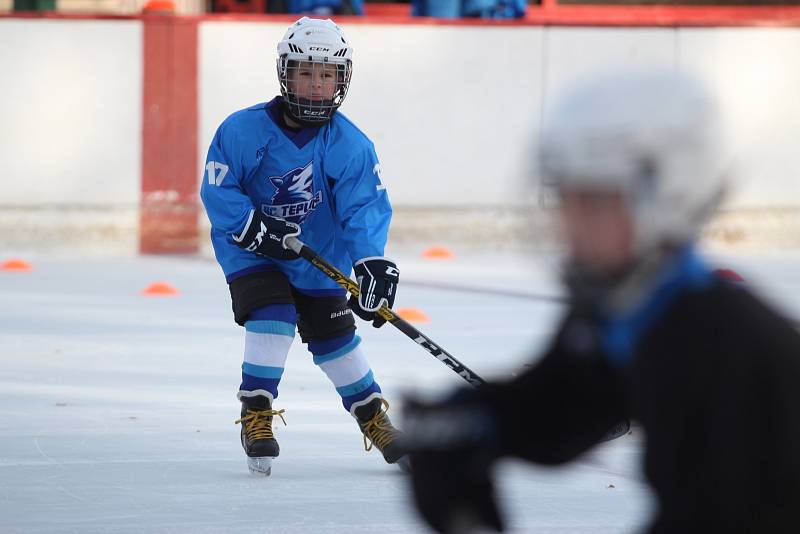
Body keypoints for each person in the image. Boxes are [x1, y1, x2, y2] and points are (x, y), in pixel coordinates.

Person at [403, 70, 800, 532]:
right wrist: (475, 420)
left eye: (596, 204)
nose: (572, 227)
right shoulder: (625, 306)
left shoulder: (729, 347)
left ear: (670, 201)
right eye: (567, 201)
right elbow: (564, 410)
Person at [200, 16, 407, 476]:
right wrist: (251, 226)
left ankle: (372, 416)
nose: (316, 86)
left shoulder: (351, 145)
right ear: (286, 74)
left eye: (327, 75)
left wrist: (370, 263)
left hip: (316, 252)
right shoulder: (241, 130)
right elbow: (218, 186)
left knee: (334, 334)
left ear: (341, 79)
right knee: (272, 313)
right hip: (250, 249)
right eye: (306, 73)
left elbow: (364, 209)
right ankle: (256, 410)